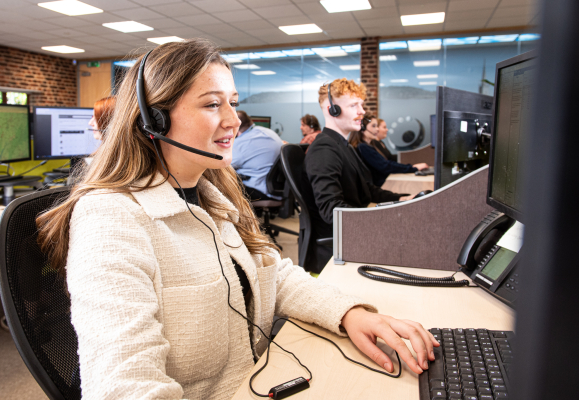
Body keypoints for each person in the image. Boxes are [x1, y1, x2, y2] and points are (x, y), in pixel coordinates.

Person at [35, 40, 437, 400]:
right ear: (154, 120)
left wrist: (351, 314)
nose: (234, 120)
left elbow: (273, 275)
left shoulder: (211, 193)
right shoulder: (111, 219)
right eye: (213, 104)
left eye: (232, 101)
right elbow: (124, 386)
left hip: (263, 379)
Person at [301, 79, 416, 273]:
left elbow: (366, 189)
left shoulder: (343, 145)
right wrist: (377, 217)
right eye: (354, 105)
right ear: (332, 110)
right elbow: (332, 210)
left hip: (351, 235)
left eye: (361, 105)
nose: (362, 111)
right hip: (338, 248)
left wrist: (400, 198)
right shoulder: (324, 149)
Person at [351, 114, 429, 186]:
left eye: (377, 126)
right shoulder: (363, 147)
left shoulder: (369, 145)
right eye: (373, 126)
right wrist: (413, 168)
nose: (377, 129)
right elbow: (385, 166)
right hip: (375, 188)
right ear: (362, 128)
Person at [232, 110, 283, 200]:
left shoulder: (241, 142)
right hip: (278, 189)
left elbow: (223, 166)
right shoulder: (269, 132)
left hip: (259, 190)